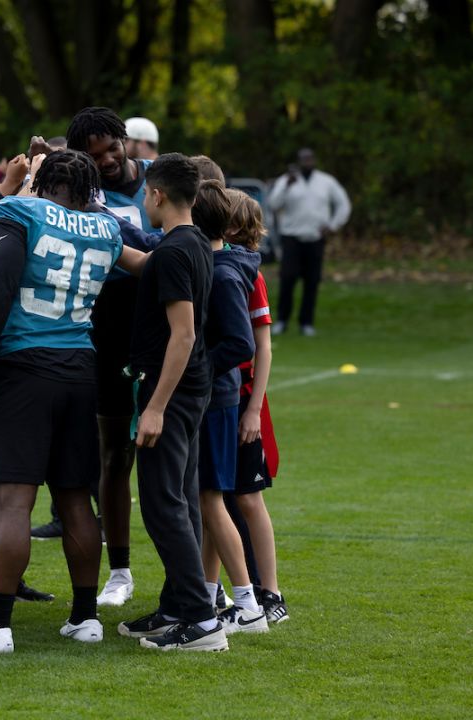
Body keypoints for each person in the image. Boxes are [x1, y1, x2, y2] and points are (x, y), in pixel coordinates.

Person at [0, 150, 148, 654]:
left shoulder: (21, 212)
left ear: (45, 182)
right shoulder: (106, 228)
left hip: (24, 367)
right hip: (81, 368)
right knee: (75, 497)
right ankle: (85, 617)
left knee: (15, 498)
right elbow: (148, 264)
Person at [117, 153, 226, 652]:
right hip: (190, 391)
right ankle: (177, 605)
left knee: (164, 505)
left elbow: (182, 336)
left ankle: (202, 620)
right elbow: (146, 264)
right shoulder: (190, 242)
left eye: (145, 194)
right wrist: (102, 233)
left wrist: (156, 405)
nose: (143, 201)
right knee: (179, 498)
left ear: (158, 195)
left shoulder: (176, 252)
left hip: (174, 393)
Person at [62, 106, 158, 608]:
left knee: (174, 461)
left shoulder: (158, 184)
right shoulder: (81, 196)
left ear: (126, 140)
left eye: (111, 148)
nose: (106, 160)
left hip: (158, 322)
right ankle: (120, 570)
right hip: (103, 323)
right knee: (112, 453)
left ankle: (201, 579)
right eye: (93, 155)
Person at [188, 180, 268, 635]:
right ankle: (210, 592)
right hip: (219, 397)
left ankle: (248, 603)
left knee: (212, 500)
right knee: (208, 501)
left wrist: (199, 371)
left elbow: (241, 342)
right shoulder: (225, 265)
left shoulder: (221, 273)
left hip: (216, 399)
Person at [223, 188, 289, 625]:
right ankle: (227, 593)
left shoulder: (250, 275)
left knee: (249, 498)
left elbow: (263, 350)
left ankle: (271, 594)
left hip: (243, 398)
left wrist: (252, 411)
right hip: (225, 399)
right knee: (222, 497)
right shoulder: (223, 266)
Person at [266, 148, 351, 337]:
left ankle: (306, 323)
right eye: (303, 160)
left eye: (310, 159)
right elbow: (273, 204)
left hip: (315, 238)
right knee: (287, 279)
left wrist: (333, 225)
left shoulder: (325, 181)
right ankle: (282, 320)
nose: (307, 163)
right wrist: (287, 185)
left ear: (314, 161)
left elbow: (343, 204)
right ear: (298, 161)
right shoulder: (286, 181)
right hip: (291, 237)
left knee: (312, 281)